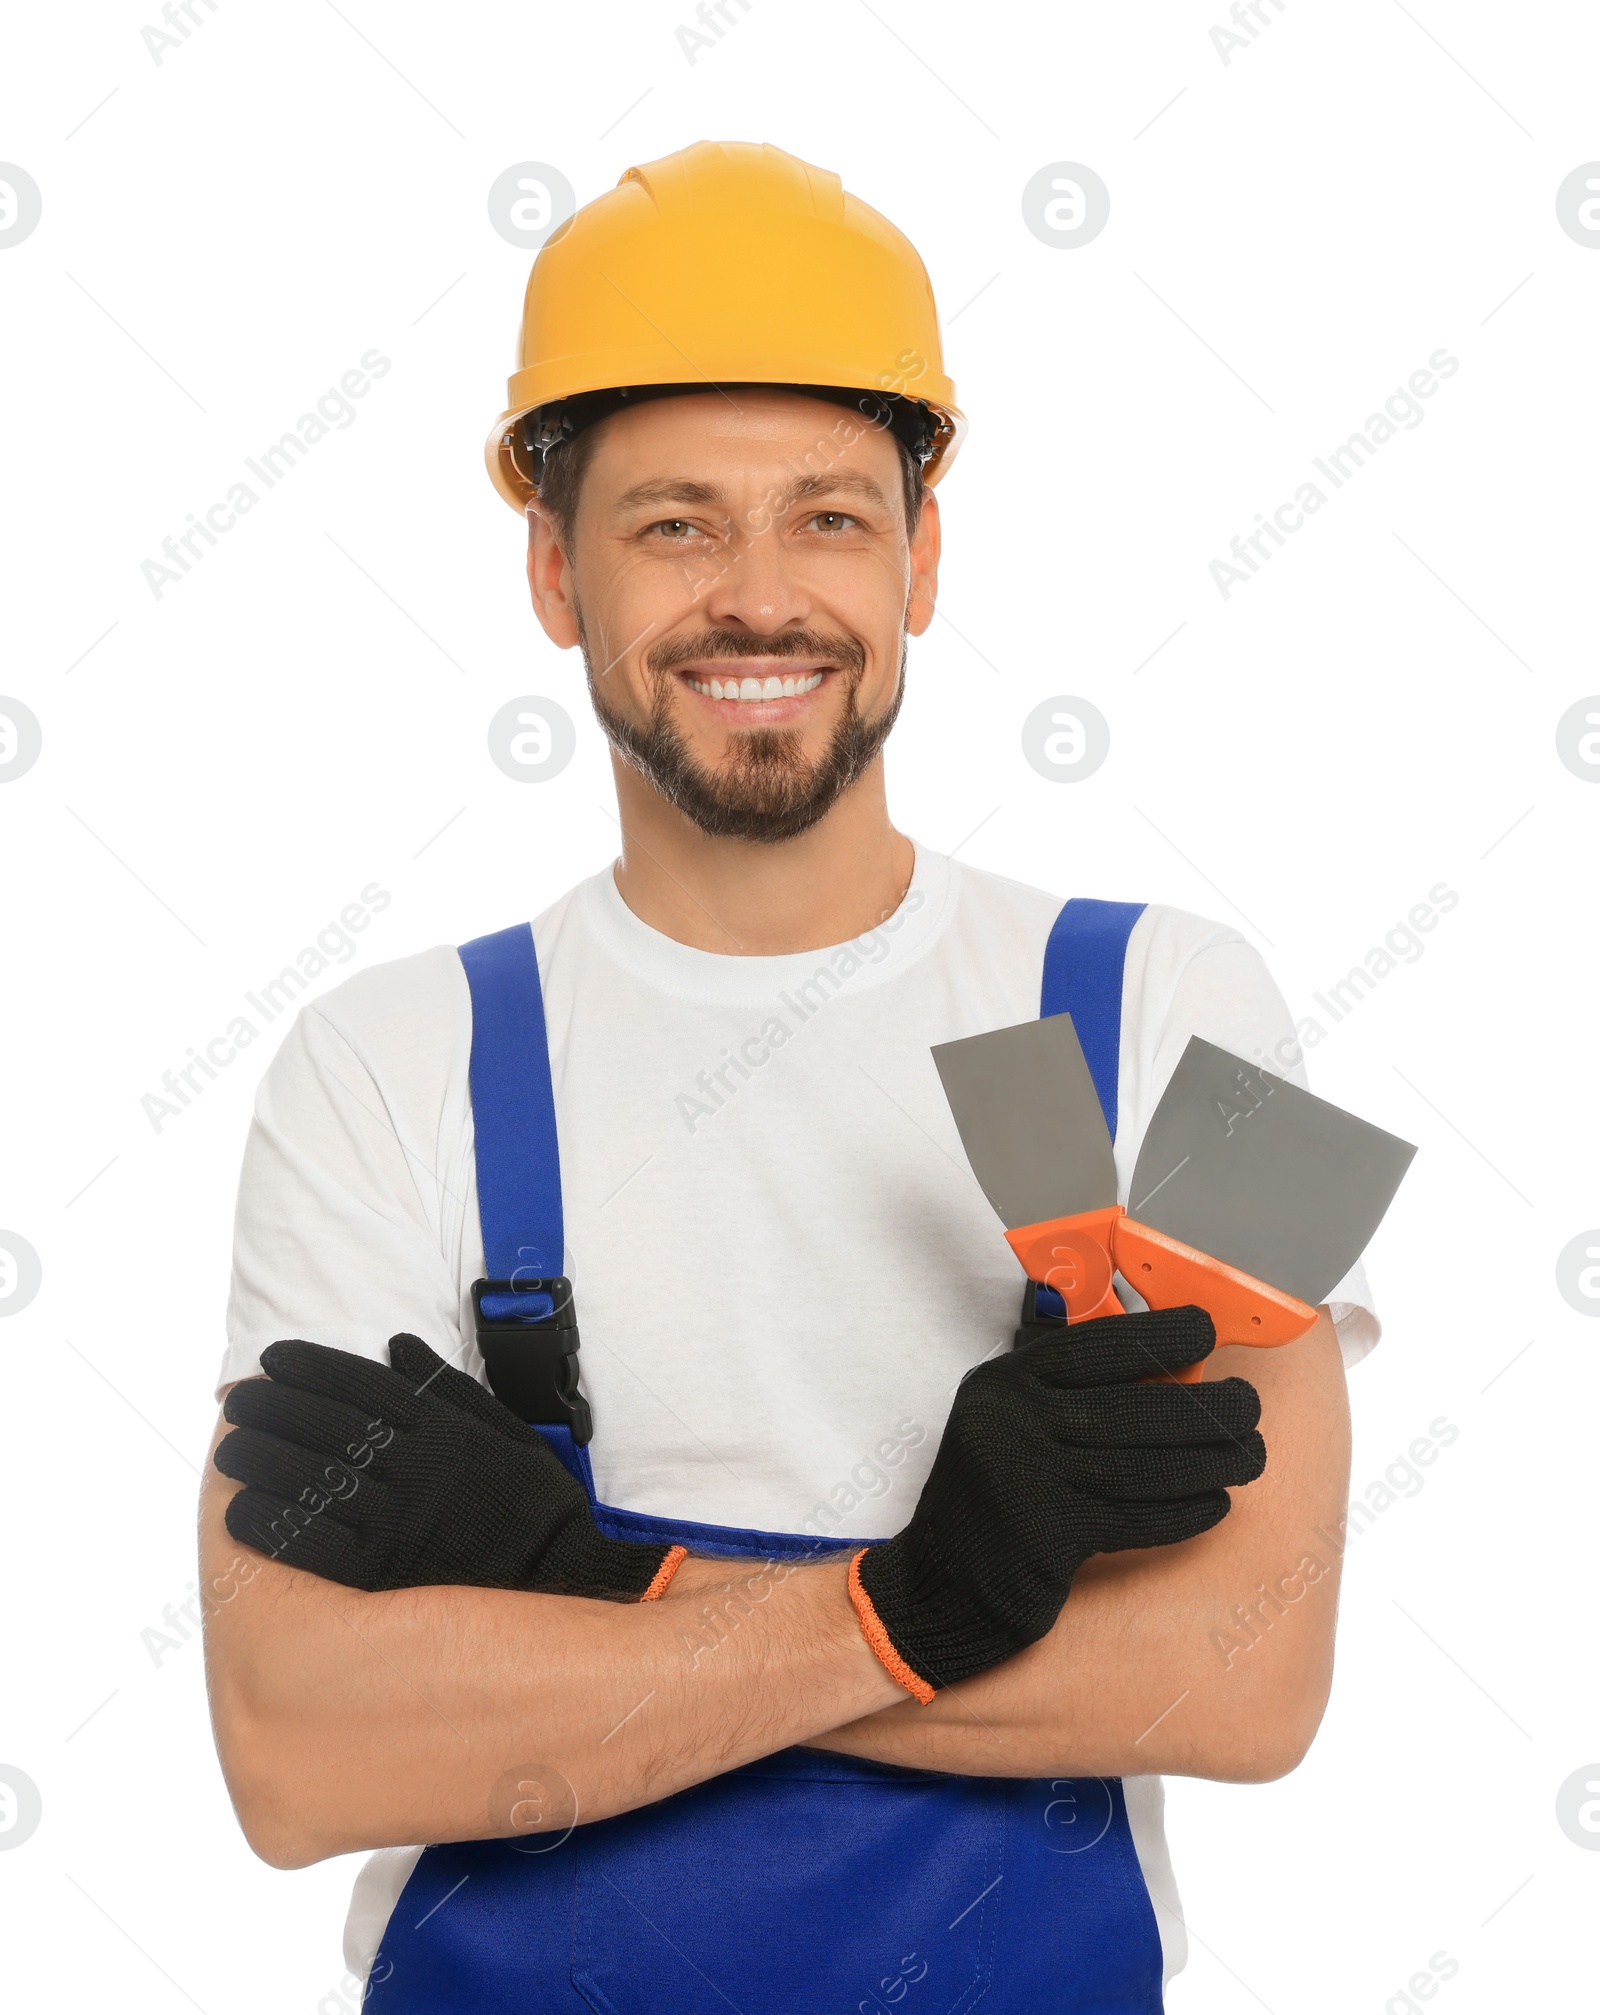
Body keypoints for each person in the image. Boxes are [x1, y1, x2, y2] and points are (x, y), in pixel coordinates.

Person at [200, 141, 1368, 2012]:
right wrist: (927, 1603)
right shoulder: (377, 1063)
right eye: (673, 523)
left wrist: (590, 1594)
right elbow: (297, 1753)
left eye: (828, 514)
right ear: (550, 572)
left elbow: (1242, 1678)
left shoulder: (1180, 999)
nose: (761, 599)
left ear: (922, 555)